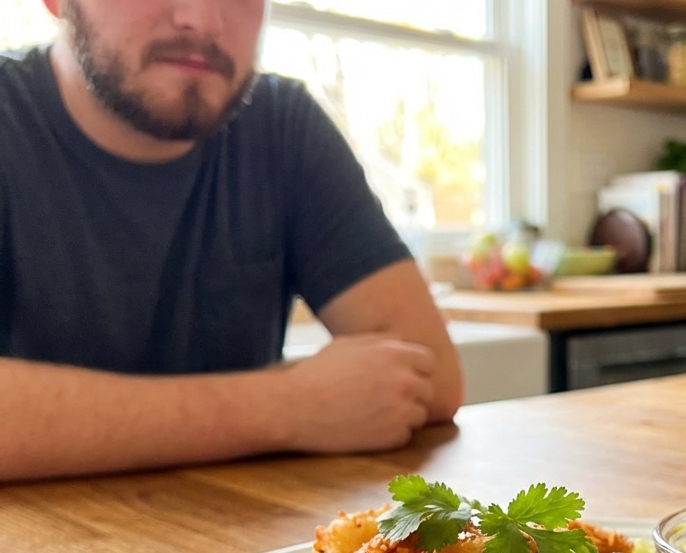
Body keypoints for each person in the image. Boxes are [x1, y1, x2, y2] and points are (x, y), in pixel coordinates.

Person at [0, 0, 463, 482]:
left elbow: (429, 378)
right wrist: (285, 407)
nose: (203, 20)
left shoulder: (282, 128)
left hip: (243, 542)